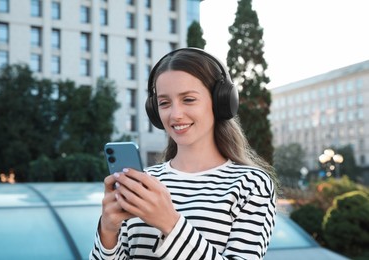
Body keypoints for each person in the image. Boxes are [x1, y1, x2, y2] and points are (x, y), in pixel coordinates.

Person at [90, 48, 278, 260]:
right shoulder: (143, 182)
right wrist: (107, 232)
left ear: (220, 102)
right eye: (164, 103)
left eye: (188, 99)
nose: (175, 114)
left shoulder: (250, 184)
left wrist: (169, 222)